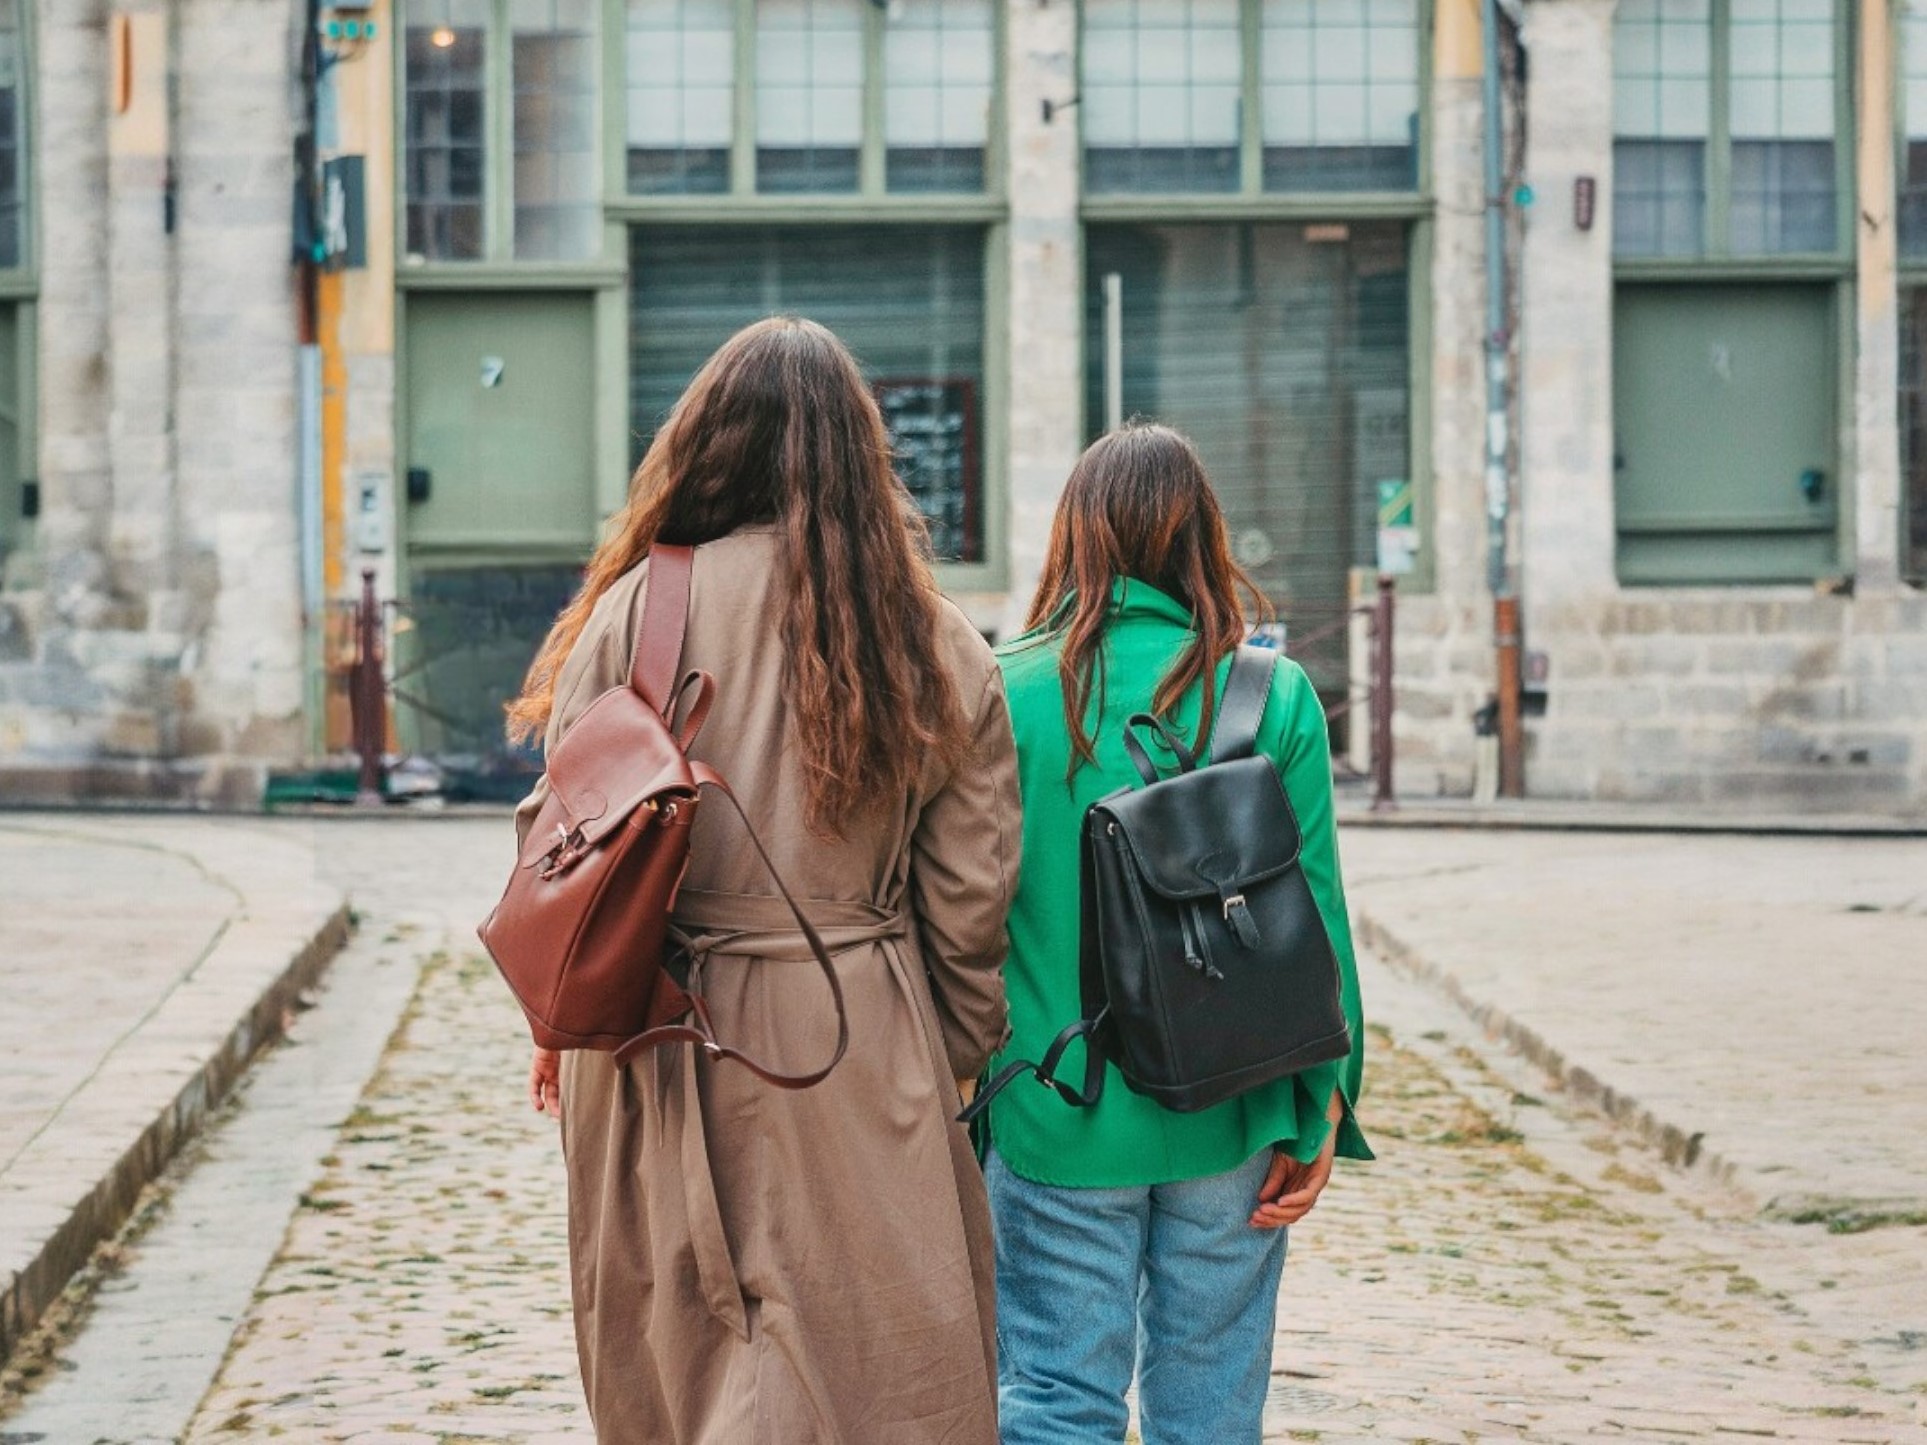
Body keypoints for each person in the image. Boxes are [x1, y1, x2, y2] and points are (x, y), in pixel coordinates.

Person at [505, 317, 1020, 1445]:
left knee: (686, 1364)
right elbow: (969, 905)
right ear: (862, 455)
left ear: (703, 447)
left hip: (658, 1036)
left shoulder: (637, 612)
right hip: (858, 1035)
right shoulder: (938, 642)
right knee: (878, 1366)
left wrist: (559, 1024)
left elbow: (558, 840)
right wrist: (951, 1057)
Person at [982, 422, 1371, 1445]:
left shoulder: (1002, 689)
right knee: (1210, 1407)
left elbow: (956, 909)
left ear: (1075, 539)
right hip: (1233, 1108)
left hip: (1053, 1107)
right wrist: (1322, 1106)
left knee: (1056, 1395)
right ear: (1203, 539)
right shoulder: (1270, 692)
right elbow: (1318, 914)